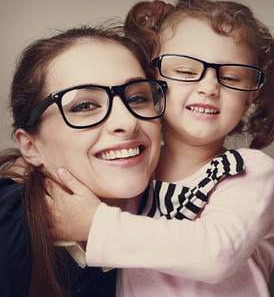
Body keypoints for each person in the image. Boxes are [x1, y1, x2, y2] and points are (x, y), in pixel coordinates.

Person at [49, 0, 274, 296]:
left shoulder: (250, 172)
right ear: (151, 82)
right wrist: (33, 164)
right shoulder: (133, 172)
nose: (209, 88)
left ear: (249, 97)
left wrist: (96, 225)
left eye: (230, 77)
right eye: (185, 71)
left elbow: (216, 255)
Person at [0, 23, 167, 297]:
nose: (127, 122)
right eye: (84, 106)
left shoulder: (193, 210)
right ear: (30, 146)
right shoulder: (9, 228)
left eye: (137, 98)